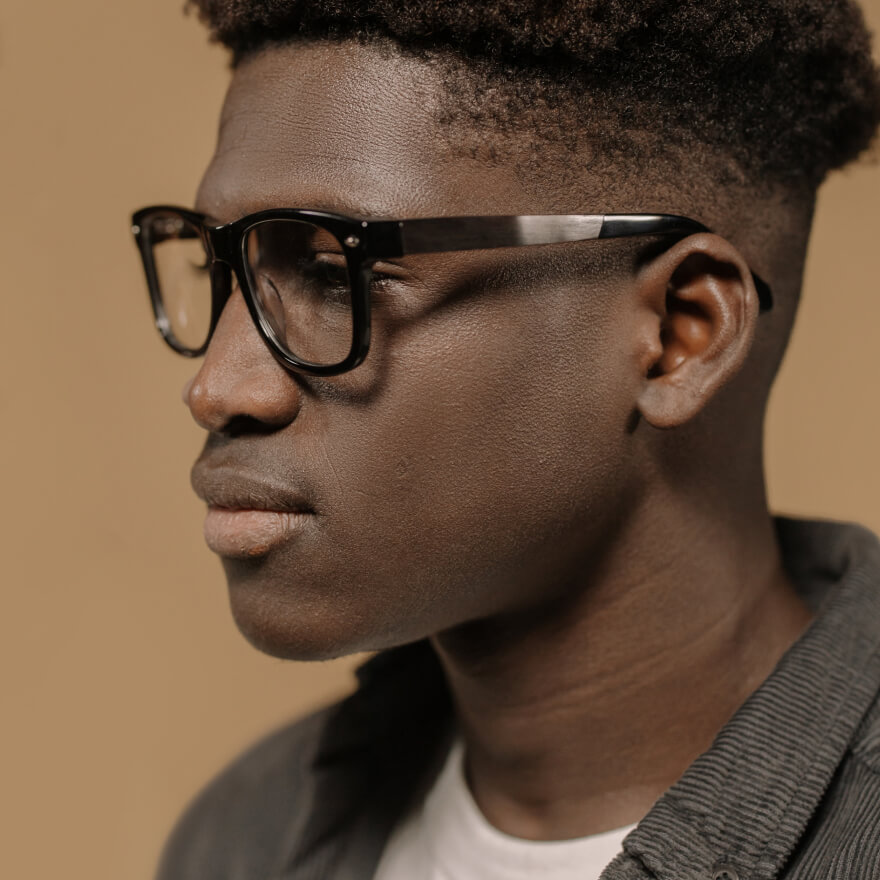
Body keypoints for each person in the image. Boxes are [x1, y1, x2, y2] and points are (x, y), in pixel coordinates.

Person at [132, 1, 880, 877]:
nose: (218, 387)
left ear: (681, 333)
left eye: (337, 274)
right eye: (220, 269)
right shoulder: (241, 839)